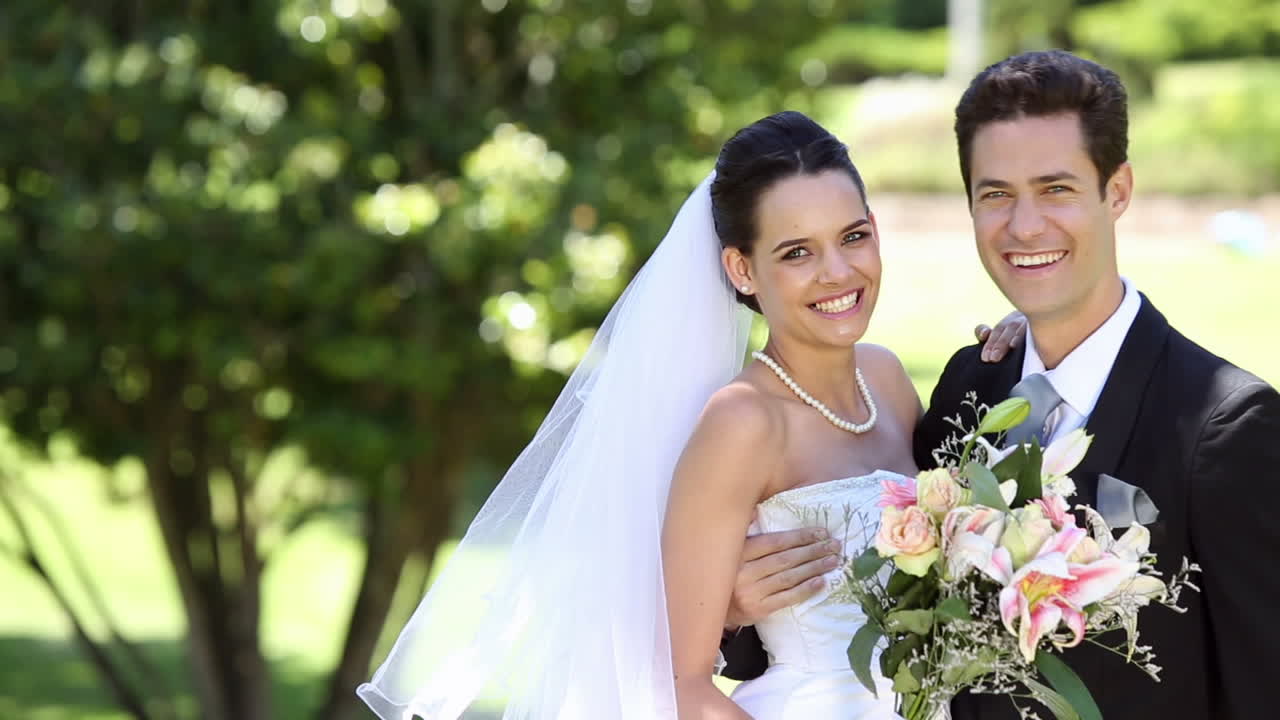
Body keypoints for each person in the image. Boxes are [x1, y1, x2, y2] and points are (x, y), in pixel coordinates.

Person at [357, 111, 1022, 720]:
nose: (838, 271)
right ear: (742, 269)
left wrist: (1027, 344)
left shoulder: (886, 376)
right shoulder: (744, 421)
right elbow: (684, 686)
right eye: (796, 252)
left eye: (853, 236)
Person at [725, 50, 1280, 720]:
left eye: (1055, 189)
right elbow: (874, 612)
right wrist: (733, 611)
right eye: (995, 195)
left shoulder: (1223, 425)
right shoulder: (970, 386)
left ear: (1118, 190)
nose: (1023, 227)